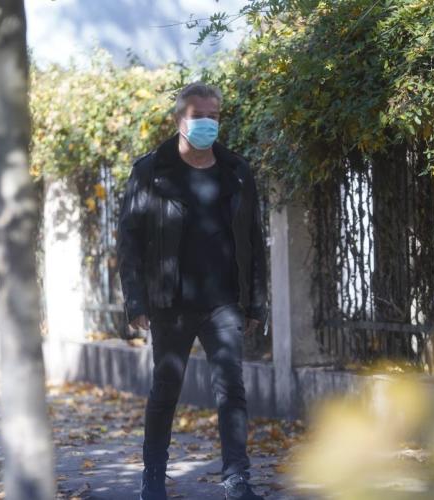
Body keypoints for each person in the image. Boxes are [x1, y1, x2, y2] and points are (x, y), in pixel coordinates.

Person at [118, 81, 268, 500]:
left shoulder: (236, 170)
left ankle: (236, 479)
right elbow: (129, 240)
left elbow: (253, 239)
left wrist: (256, 302)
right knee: (166, 389)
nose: (207, 123)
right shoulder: (151, 171)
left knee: (231, 388)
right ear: (178, 120)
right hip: (171, 301)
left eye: (213, 116)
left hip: (224, 301)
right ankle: (153, 478)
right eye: (198, 116)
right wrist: (136, 300)